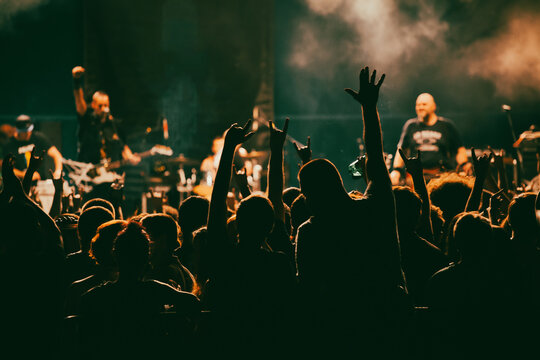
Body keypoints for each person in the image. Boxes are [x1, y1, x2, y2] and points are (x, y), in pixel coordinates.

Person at [390, 93, 469, 185]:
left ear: (433, 107)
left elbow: (459, 149)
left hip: (441, 176)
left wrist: (464, 166)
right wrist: (397, 170)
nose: (420, 107)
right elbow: (401, 150)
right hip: (415, 177)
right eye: (418, 105)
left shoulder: (447, 126)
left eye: (424, 104)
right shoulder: (410, 126)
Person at [71, 66, 140, 165]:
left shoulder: (114, 125)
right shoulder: (87, 120)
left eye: (106, 105)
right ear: (93, 105)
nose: (104, 109)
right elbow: (79, 103)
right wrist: (76, 81)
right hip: (88, 172)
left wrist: (130, 157)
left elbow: (123, 146)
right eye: (100, 106)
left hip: (109, 173)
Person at [1, 114, 62, 180]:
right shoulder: (9, 145)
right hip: (19, 184)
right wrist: (23, 174)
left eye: (29, 130)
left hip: (40, 182)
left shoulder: (39, 138)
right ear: (18, 131)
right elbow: (5, 168)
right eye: (24, 132)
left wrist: (58, 171)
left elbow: (56, 155)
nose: (28, 133)